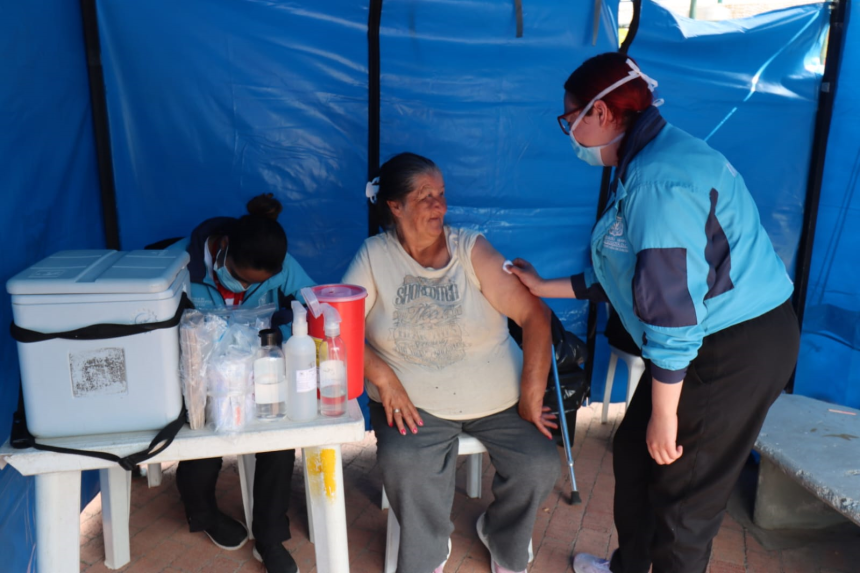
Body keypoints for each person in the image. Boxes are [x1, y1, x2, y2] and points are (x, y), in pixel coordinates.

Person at [509, 52, 800, 573]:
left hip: (731, 346)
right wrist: (543, 286)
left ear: (599, 112)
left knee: (683, 497)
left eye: (568, 117)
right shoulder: (653, 155)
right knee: (634, 455)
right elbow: (631, 271)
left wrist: (665, 416)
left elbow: (671, 313)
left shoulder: (658, 181)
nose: (569, 132)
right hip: (711, 335)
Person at [343, 153, 561, 573]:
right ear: (395, 205)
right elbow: (341, 326)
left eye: (441, 194)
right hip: (415, 405)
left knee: (539, 463)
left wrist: (532, 396)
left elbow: (536, 316)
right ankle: (429, 550)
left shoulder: (470, 248)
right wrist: (385, 381)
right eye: (425, 196)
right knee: (404, 463)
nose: (439, 206)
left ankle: (501, 535)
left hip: (500, 400)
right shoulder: (373, 256)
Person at [167, 193, 314, 573]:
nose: (242, 287)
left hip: (258, 371)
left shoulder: (281, 266)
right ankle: (204, 514)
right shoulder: (179, 263)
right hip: (199, 378)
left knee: (278, 441)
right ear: (224, 249)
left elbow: (313, 308)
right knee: (199, 443)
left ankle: (269, 536)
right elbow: (155, 330)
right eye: (241, 279)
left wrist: (275, 336)